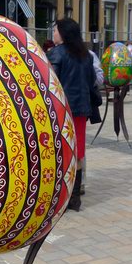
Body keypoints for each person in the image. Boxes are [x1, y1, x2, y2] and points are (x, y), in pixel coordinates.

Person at [47, 18, 95, 212]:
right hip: (81, 111)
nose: (53, 34)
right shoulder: (86, 55)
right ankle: (75, 197)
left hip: (61, 112)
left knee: (60, 153)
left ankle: (61, 197)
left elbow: (49, 83)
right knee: (78, 152)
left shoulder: (55, 54)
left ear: (63, 33)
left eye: (55, 30)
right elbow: (92, 82)